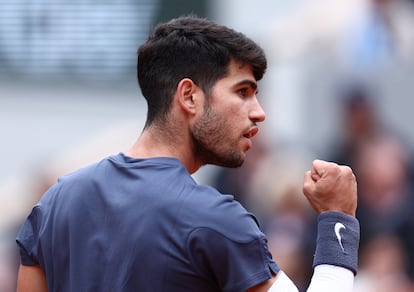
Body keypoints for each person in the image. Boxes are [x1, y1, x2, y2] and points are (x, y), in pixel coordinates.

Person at [15, 15, 360, 291]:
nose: (258, 112)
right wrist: (338, 222)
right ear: (189, 96)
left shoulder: (55, 204)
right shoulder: (216, 220)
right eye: (243, 91)